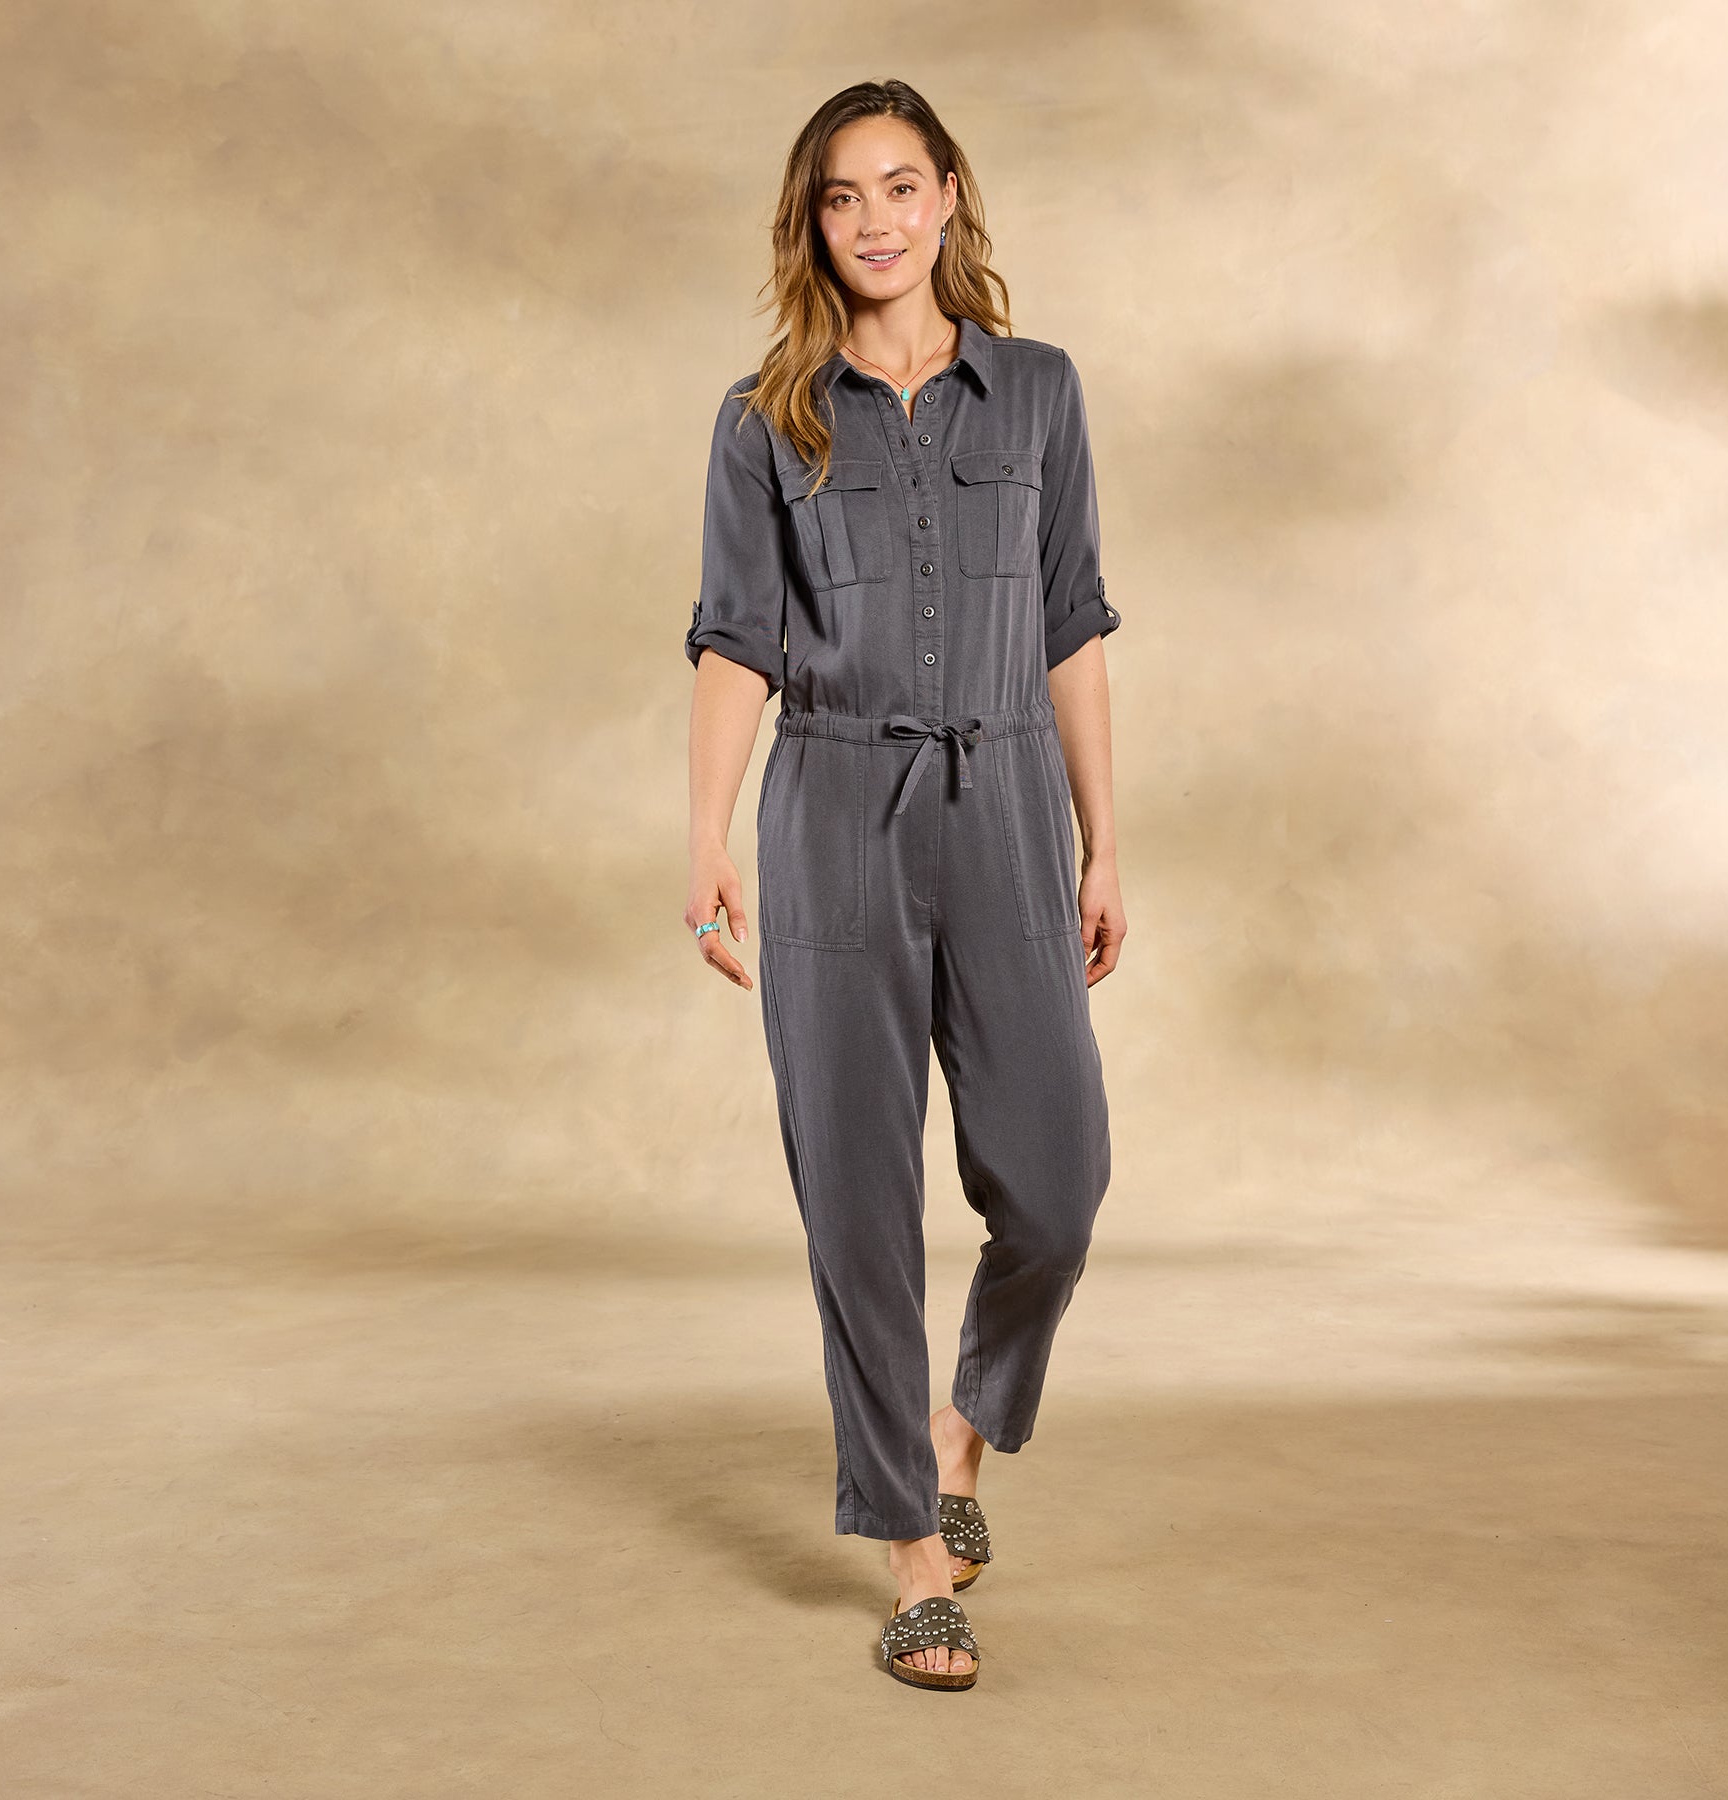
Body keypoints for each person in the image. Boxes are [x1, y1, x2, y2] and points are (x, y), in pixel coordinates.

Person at [682, 77, 1125, 1691]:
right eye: (840, 196)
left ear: (947, 198)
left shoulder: (1041, 393)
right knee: (860, 1201)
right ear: (811, 225)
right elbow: (736, 640)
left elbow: (1070, 620)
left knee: (1056, 1186)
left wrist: (1102, 836)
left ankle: (961, 1434)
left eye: (899, 186)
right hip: (833, 812)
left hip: (1004, 801)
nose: (873, 220)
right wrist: (704, 837)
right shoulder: (766, 418)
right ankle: (911, 1551)